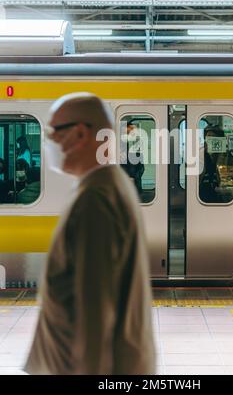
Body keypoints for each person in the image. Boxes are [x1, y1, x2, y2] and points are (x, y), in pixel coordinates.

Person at [24, 92, 155, 375]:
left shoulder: (95, 201)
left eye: (52, 132)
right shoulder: (110, 185)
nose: (48, 142)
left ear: (80, 134)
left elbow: (94, 312)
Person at [121, 120, 145, 195]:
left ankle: (137, 191)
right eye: (131, 128)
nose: (133, 131)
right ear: (126, 127)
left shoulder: (124, 138)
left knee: (139, 166)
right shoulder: (119, 137)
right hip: (123, 163)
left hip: (126, 161)